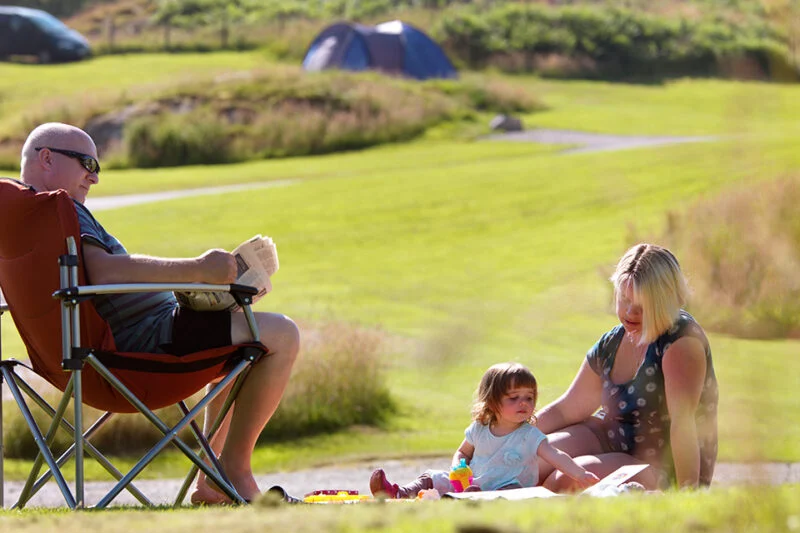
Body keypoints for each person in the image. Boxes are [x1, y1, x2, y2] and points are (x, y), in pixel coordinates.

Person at [17, 122, 300, 505]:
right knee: (281, 335)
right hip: (139, 350)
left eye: (97, 167)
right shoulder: (60, 207)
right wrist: (197, 269)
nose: (93, 178)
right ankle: (232, 469)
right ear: (46, 157)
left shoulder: (24, 216)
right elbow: (104, 272)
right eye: (86, 163)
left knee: (243, 343)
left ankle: (213, 480)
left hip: (82, 359)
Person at [535, 243, 718, 492]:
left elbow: (683, 425)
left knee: (567, 479)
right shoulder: (612, 342)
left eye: (643, 305)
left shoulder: (681, 341)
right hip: (608, 437)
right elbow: (567, 409)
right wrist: (503, 435)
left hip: (661, 464)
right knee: (530, 457)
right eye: (624, 299)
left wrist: (688, 495)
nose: (630, 312)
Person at [369, 362, 600, 498]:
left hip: (508, 490)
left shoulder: (530, 436)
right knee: (432, 476)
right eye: (514, 398)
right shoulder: (480, 429)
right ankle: (399, 493)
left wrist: (579, 474)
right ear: (492, 402)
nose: (524, 403)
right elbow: (462, 452)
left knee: (507, 493)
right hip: (472, 482)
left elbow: (556, 456)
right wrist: (457, 466)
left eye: (529, 398)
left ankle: (468, 500)